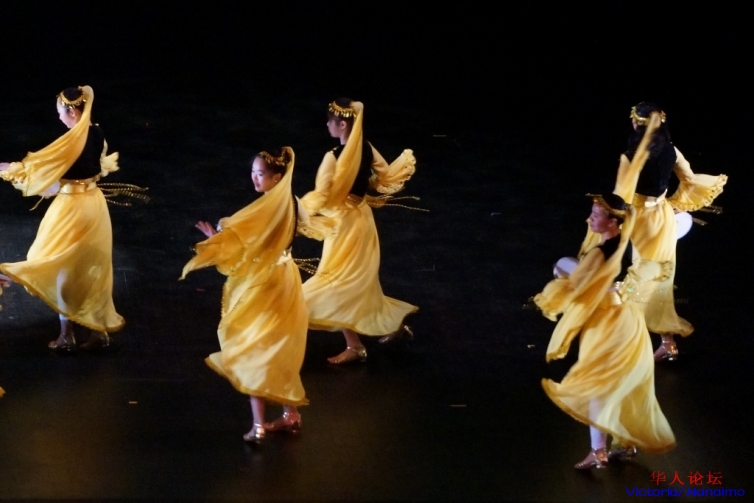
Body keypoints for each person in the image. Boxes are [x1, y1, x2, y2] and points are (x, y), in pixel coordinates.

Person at [536, 113, 675, 469]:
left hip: (607, 323)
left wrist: (557, 277)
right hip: (628, 319)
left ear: (612, 223)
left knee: (596, 384)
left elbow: (575, 285)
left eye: (595, 216)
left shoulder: (600, 253)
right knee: (621, 382)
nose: (589, 219)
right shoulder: (625, 242)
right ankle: (625, 444)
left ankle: (599, 452)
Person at [182, 147, 326, 443]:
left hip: (266, 282)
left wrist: (215, 240)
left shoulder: (265, 209)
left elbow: (245, 245)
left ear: (276, 178)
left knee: (254, 346)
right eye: (253, 172)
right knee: (279, 345)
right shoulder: (293, 203)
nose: (254, 179)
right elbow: (298, 229)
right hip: (287, 277)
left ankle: (259, 425)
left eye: (260, 174)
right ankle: (291, 414)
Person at [580, 102, 727, 362]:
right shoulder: (672, 150)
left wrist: (607, 223)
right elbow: (690, 179)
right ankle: (666, 343)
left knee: (633, 278)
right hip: (662, 218)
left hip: (639, 220)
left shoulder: (632, 156)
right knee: (658, 280)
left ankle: (624, 343)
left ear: (638, 125)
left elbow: (621, 196)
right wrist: (676, 204)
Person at [0, 86, 123, 351]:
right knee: (93, 267)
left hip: (71, 209)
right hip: (95, 205)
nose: (59, 118)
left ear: (73, 112)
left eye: (61, 113)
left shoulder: (70, 142)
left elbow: (42, 172)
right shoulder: (97, 132)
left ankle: (67, 336)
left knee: (59, 267)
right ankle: (99, 332)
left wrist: (10, 170)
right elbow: (96, 167)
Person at [299, 98, 418, 364]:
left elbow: (321, 195)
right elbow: (383, 176)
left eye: (330, 121)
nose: (327, 125)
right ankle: (389, 328)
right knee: (357, 283)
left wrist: (298, 212)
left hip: (344, 226)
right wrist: (365, 182)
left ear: (342, 125)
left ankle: (355, 345)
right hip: (363, 221)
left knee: (339, 282)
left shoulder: (333, 157)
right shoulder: (366, 147)